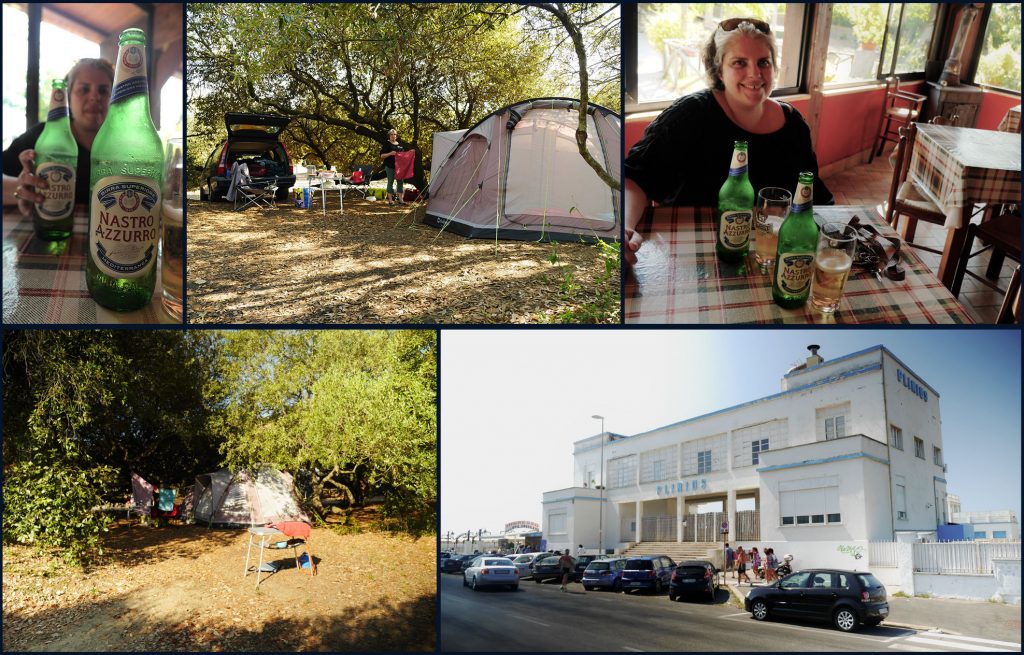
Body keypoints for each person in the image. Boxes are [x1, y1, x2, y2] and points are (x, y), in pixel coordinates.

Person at [623, 17, 834, 265]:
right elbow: (635, 177)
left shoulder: (793, 124)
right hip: (691, 258)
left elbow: (814, 196)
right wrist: (624, 227)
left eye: (763, 62)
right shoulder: (690, 115)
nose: (755, 74)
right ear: (719, 70)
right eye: (739, 63)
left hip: (770, 258)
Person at [3, 58, 114, 216]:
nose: (94, 97)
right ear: (67, 96)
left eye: (103, 91)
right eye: (84, 89)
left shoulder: (124, 146)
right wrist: (20, 189)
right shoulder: (43, 135)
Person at [379, 128, 405, 206]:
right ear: (389, 136)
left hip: (399, 168)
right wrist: (390, 153)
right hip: (390, 166)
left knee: (400, 182)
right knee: (390, 182)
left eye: (395, 134)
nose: (393, 136)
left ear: (396, 136)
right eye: (391, 134)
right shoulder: (387, 144)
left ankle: (401, 200)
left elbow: (403, 155)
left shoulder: (399, 144)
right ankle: (390, 201)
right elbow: (382, 156)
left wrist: (410, 153)